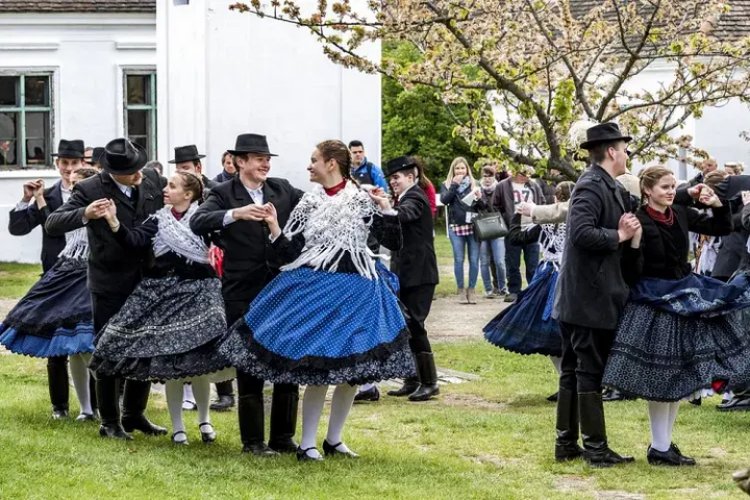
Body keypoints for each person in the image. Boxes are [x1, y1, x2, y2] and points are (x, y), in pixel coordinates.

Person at [217, 139, 413, 461]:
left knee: (353, 371)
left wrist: (387, 209)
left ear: (331, 164)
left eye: (313, 160)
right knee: (316, 367)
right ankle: (307, 443)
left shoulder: (361, 200)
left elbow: (393, 242)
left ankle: (333, 439)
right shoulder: (309, 203)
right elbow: (288, 255)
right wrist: (275, 228)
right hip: (316, 291)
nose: (308, 166)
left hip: (358, 292)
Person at [601, 166, 750, 466]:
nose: (670, 191)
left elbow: (721, 228)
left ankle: (663, 445)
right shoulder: (638, 219)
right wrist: (632, 240)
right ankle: (660, 446)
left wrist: (717, 205)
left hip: (684, 293)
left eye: (672, 187)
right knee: (662, 377)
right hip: (654, 302)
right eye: (664, 187)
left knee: (678, 375)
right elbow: (630, 272)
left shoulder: (679, 212)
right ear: (647, 190)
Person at [90, 171, 234, 445]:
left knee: (199, 363)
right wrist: (112, 220)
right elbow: (134, 241)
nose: (165, 190)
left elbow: (223, 244)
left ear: (188, 194)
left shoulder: (204, 220)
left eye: (172, 186)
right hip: (160, 292)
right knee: (121, 345)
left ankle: (204, 420)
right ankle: (174, 427)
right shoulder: (158, 220)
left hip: (200, 293)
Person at [45, 138, 168, 440]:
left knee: (145, 348)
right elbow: (52, 223)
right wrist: (86, 213)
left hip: (148, 277)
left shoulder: (151, 179)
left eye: (139, 167)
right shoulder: (90, 189)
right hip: (109, 280)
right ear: (113, 172)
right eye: (130, 171)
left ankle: (135, 413)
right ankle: (109, 420)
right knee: (109, 349)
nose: (138, 174)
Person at [190, 133, 303, 456]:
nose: (265, 163)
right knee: (249, 365)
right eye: (258, 158)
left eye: (267, 158)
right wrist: (235, 214)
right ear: (240, 161)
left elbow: (313, 205)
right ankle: (252, 441)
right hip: (242, 291)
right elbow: (198, 221)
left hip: (281, 289)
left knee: (286, 365)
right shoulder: (224, 193)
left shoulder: (281, 189)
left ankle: (283, 436)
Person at [552, 122, 639, 467]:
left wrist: (684, 195)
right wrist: (618, 236)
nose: (628, 153)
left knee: (574, 369)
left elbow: (638, 200)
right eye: (625, 147)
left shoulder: (609, 185)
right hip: (587, 295)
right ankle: (596, 449)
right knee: (586, 369)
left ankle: (566, 444)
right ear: (612, 151)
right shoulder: (590, 185)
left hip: (585, 295)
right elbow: (582, 234)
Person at [0, 167, 99, 421]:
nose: (71, 179)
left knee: (87, 345)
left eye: (80, 182)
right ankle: (66, 407)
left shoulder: (104, 204)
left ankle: (103, 407)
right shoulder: (55, 196)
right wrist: (32, 199)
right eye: (64, 165)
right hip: (61, 273)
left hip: (91, 277)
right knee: (61, 347)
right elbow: (27, 226)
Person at [484, 181, 574, 400]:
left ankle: (568, 381)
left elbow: (516, 237)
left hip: (553, 278)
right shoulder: (572, 222)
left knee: (554, 333)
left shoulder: (548, 223)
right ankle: (568, 382)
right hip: (563, 277)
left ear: (555, 199)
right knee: (563, 335)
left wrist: (517, 214)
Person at [382, 155, 441, 401]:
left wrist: (386, 209)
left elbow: (404, 215)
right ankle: (412, 378)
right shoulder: (405, 197)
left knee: (415, 325)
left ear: (411, 176)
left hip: (419, 273)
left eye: (396, 177)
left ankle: (429, 381)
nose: (393, 182)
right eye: (391, 178)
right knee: (406, 326)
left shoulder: (415, 196)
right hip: (406, 272)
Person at [492, 166, 545, 303]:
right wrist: (506, 220)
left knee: (533, 262)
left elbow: (542, 202)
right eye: (521, 173)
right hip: (513, 229)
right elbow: (495, 206)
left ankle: (533, 290)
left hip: (532, 228)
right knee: (512, 262)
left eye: (527, 173)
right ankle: (514, 290)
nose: (524, 176)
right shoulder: (503, 186)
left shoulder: (534, 185)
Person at [440, 157, 480, 304]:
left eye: (463, 168)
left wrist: (480, 198)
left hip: (473, 226)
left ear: (467, 169)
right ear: (453, 170)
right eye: (457, 168)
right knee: (458, 259)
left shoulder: (475, 184)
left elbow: (483, 206)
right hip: (456, 227)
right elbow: (444, 201)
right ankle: (461, 290)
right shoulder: (446, 184)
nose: (460, 171)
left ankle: (472, 289)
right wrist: (454, 185)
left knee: (474, 260)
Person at [476, 165, 508, 297]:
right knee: (484, 261)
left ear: (494, 177)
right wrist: (477, 199)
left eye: (490, 176)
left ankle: (502, 287)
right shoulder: (477, 189)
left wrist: (482, 201)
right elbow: (473, 208)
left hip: (497, 228)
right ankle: (488, 289)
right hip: (482, 229)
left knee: (500, 261)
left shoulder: (500, 188)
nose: (487, 179)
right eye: (485, 176)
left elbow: (497, 208)